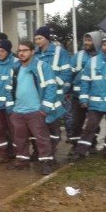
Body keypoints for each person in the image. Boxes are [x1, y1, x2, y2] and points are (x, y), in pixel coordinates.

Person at [7, 41, 59, 175]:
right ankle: (22, 160)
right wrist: (11, 109)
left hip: (36, 111)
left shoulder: (42, 67)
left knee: (42, 138)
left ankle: (46, 162)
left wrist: (44, 109)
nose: (21, 53)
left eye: (25, 50)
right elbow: (8, 89)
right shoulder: (15, 68)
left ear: (32, 51)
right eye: (19, 51)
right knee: (19, 138)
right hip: (18, 111)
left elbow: (51, 87)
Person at [34, 26, 72, 159]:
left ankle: (52, 151)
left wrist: (56, 87)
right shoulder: (35, 54)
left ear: (46, 38)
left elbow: (67, 73)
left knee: (53, 123)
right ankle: (41, 151)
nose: (37, 41)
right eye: (36, 39)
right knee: (40, 124)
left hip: (55, 94)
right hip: (39, 95)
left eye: (40, 38)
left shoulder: (60, 52)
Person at [68, 31, 103, 156]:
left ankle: (92, 144)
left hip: (95, 96)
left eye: (90, 40)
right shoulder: (78, 56)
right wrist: (68, 90)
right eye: (86, 40)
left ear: (97, 41)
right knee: (77, 122)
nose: (87, 43)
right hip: (77, 96)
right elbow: (69, 73)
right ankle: (75, 145)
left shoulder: (102, 57)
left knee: (94, 122)